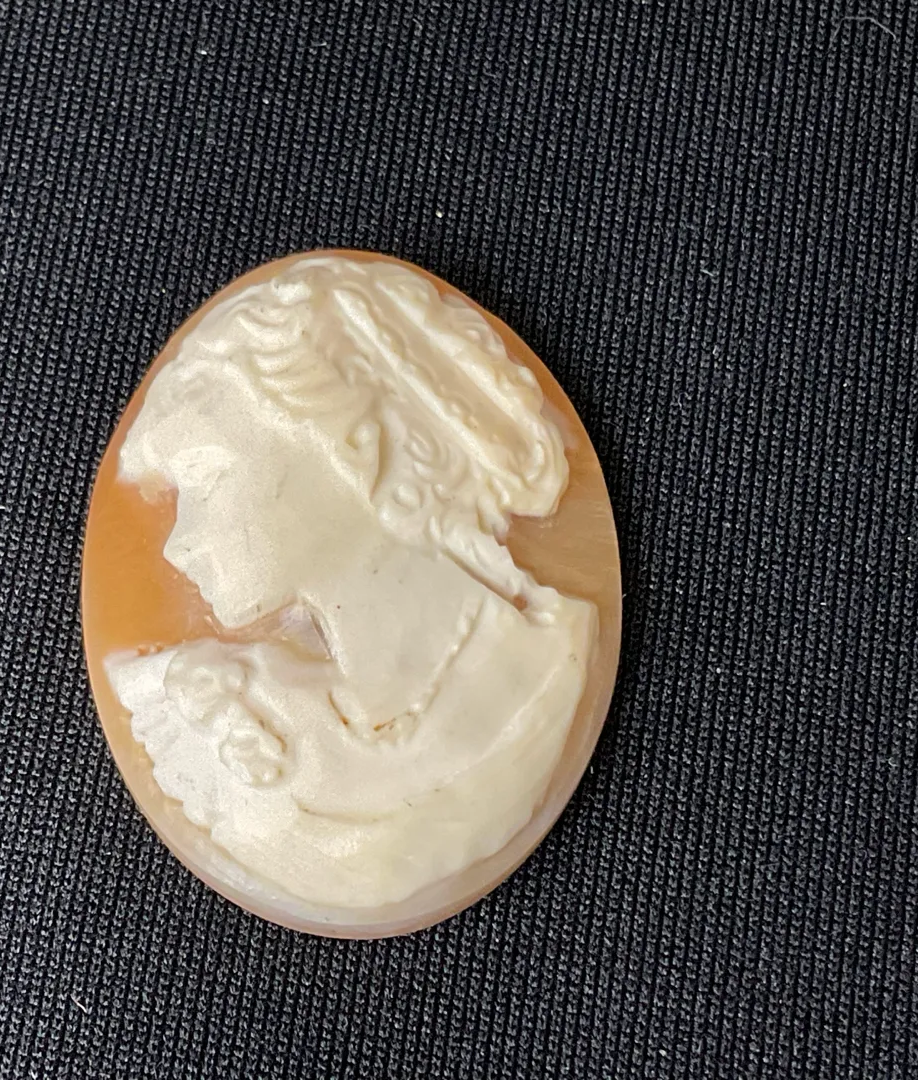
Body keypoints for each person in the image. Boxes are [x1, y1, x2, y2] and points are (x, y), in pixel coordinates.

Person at [106, 256, 595, 909]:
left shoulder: (538, 691)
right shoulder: (224, 702)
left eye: (209, 478)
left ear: (359, 447)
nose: (177, 543)